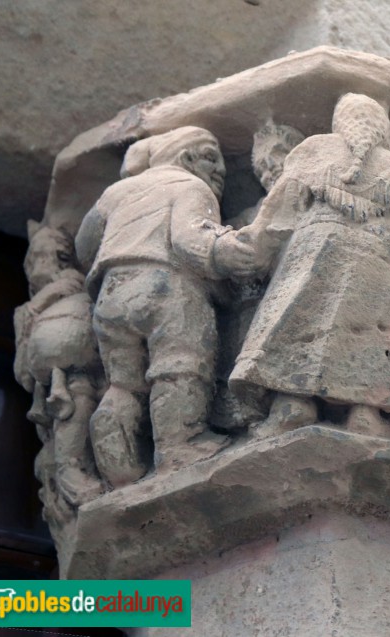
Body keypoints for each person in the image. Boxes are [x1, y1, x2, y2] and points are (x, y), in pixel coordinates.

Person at [229, 93, 390, 439]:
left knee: (301, 317)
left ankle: (292, 406)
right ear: (384, 132)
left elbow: (277, 214)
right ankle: (365, 415)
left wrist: (244, 249)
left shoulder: (313, 151)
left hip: (316, 251)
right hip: (379, 261)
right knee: (373, 333)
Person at [75, 126, 258, 485]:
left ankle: (117, 463)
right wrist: (234, 254)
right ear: (189, 157)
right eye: (213, 161)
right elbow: (191, 241)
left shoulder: (115, 193)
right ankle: (180, 446)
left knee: (123, 383)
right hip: (168, 287)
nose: (220, 172)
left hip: (112, 294)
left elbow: (84, 245)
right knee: (179, 366)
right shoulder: (190, 186)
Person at [214, 122, 306, 430]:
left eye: (275, 161)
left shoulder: (321, 196)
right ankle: (248, 408)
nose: (268, 173)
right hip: (258, 302)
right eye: (261, 169)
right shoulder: (252, 213)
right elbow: (240, 243)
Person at [14, 222, 103, 508]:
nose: (41, 264)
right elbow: (24, 374)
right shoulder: (26, 313)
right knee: (73, 403)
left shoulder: (81, 286)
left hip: (94, 362)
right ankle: (71, 470)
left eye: (53, 254)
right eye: (36, 257)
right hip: (58, 377)